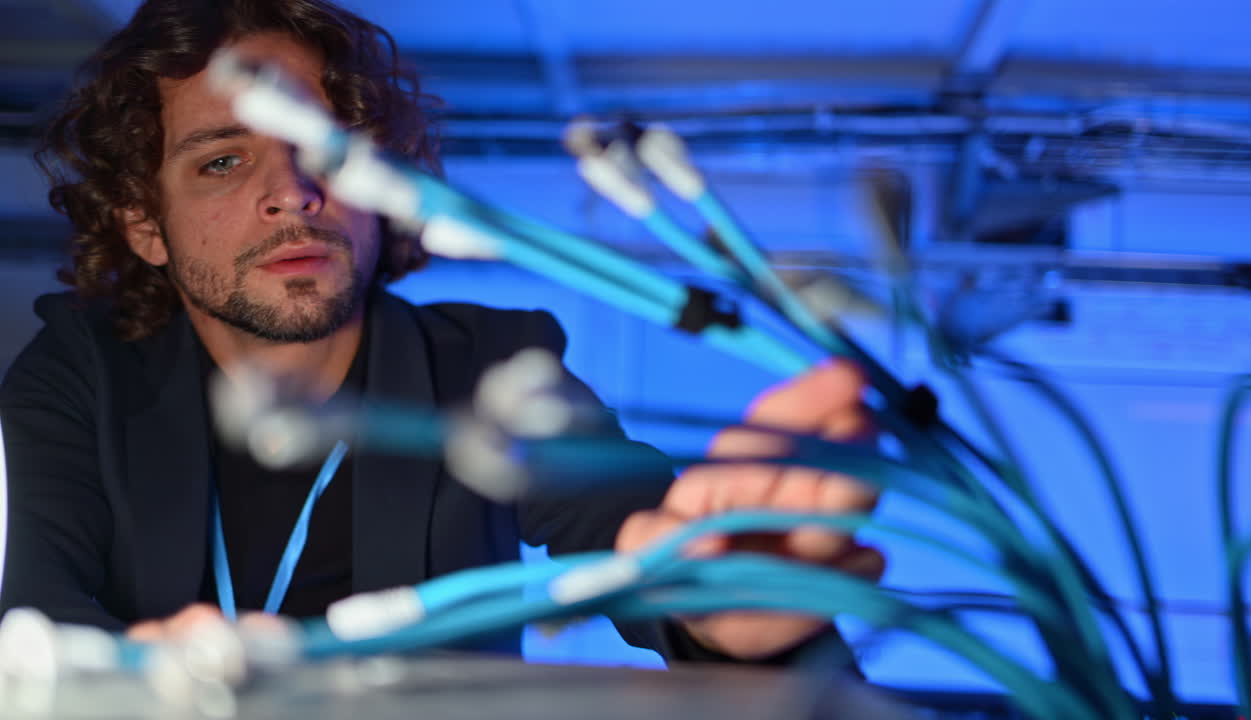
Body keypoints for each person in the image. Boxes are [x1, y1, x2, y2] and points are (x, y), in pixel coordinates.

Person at [0, 0, 883, 664]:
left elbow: (629, 523)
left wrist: (718, 608)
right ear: (144, 223)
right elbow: (30, 609)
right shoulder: (81, 372)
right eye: (224, 160)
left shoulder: (494, 365)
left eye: (328, 148)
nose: (295, 192)